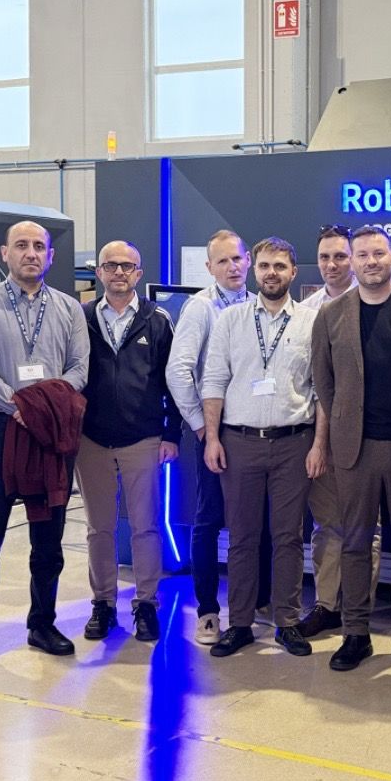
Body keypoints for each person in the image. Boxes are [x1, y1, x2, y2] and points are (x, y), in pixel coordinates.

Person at [0, 220, 90, 669]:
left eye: (39, 246)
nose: (31, 253)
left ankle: (42, 624)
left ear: (50, 256)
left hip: (51, 436)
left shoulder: (70, 309)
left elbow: (79, 370)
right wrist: (21, 407)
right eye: (21, 245)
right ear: (5, 253)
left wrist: (41, 410)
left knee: (48, 541)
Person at [310, 224, 391, 672]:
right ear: (353, 260)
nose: (370, 262)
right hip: (355, 449)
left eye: (378, 253)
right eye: (361, 255)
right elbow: (323, 380)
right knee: (355, 541)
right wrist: (343, 422)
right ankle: (356, 634)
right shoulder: (331, 315)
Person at [201, 237, 320, 658]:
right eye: (265, 265)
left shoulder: (311, 321)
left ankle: (287, 622)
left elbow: (321, 389)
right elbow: (214, 381)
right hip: (239, 442)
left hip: (294, 442)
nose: (272, 273)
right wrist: (212, 438)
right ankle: (240, 623)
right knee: (242, 538)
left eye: (280, 266)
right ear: (255, 270)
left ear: (293, 272)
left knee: (289, 537)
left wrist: (319, 445)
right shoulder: (230, 320)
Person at [77, 241, 180, 645]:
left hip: (144, 438)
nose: (119, 272)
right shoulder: (81, 317)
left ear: (139, 273)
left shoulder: (158, 320)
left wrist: (171, 434)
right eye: (111, 265)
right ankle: (103, 603)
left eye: (127, 266)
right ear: (99, 272)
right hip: (91, 439)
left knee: (145, 527)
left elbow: (173, 382)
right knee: (98, 528)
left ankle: (146, 604)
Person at [167, 230, 254, 645]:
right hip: (216, 433)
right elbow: (178, 370)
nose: (232, 267)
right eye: (222, 261)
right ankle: (207, 611)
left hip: (252, 432)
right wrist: (202, 426)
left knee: (252, 522)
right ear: (209, 267)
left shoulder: (256, 305)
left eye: (237, 258)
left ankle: (255, 603)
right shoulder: (201, 308)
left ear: (248, 260)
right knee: (208, 520)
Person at [299, 224, 379, 635]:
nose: (332, 265)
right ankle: (327, 604)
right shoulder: (307, 311)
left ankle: (357, 608)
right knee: (327, 524)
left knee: (366, 526)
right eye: (325, 257)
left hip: (368, 438)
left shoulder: (375, 302)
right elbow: (315, 382)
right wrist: (319, 443)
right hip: (321, 439)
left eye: (341, 256)